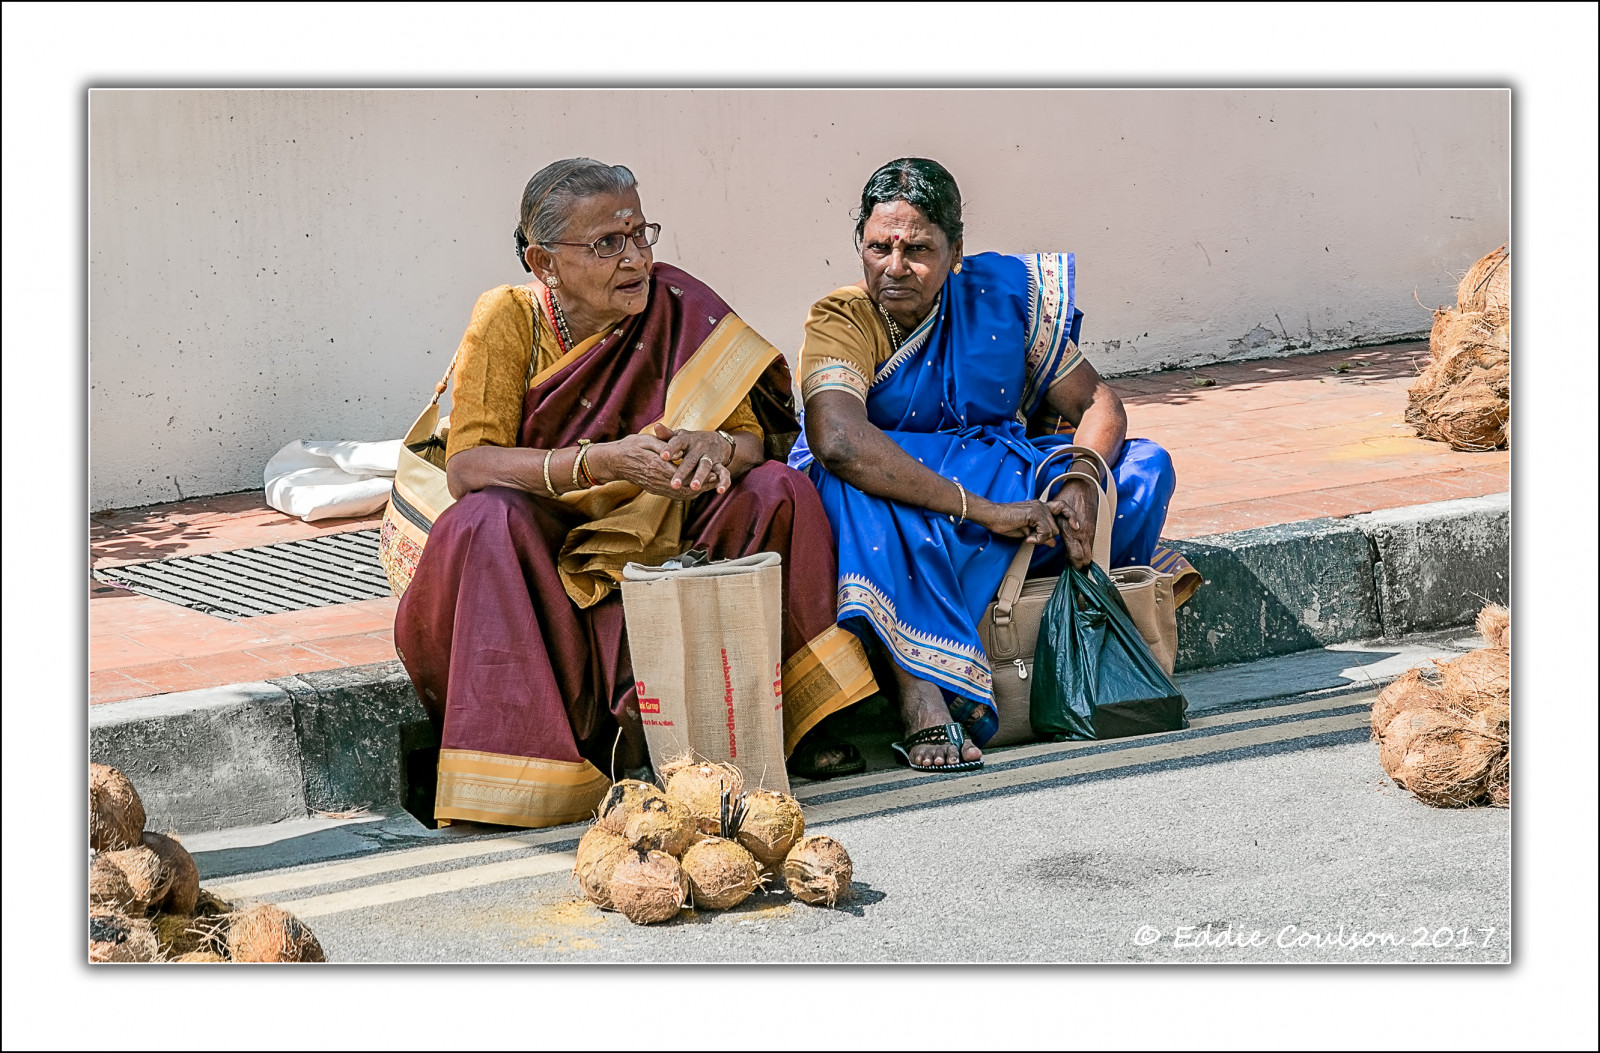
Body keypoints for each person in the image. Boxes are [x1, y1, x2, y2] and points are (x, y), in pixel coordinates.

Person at [394, 158, 875, 829]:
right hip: (550, 544)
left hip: (667, 527)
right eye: (607, 244)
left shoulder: (677, 305)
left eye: (640, 234)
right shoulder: (508, 318)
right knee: (483, 518)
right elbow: (469, 467)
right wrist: (600, 463)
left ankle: (789, 727)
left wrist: (715, 448)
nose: (636, 259)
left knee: (777, 488)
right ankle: (529, 773)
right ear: (545, 263)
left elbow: (753, 440)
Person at [790, 157, 1200, 773]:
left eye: (918, 249)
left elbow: (1097, 403)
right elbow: (840, 441)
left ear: (956, 252)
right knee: (849, 488)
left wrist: (1081, 477)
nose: (894, 268)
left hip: (1007, 489)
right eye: (878, 248)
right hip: (912, 499)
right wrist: (985, 512)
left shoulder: (1000, 298)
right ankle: (921, 690)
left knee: (1145, 468)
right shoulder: (843, 319)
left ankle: (1040, 610)